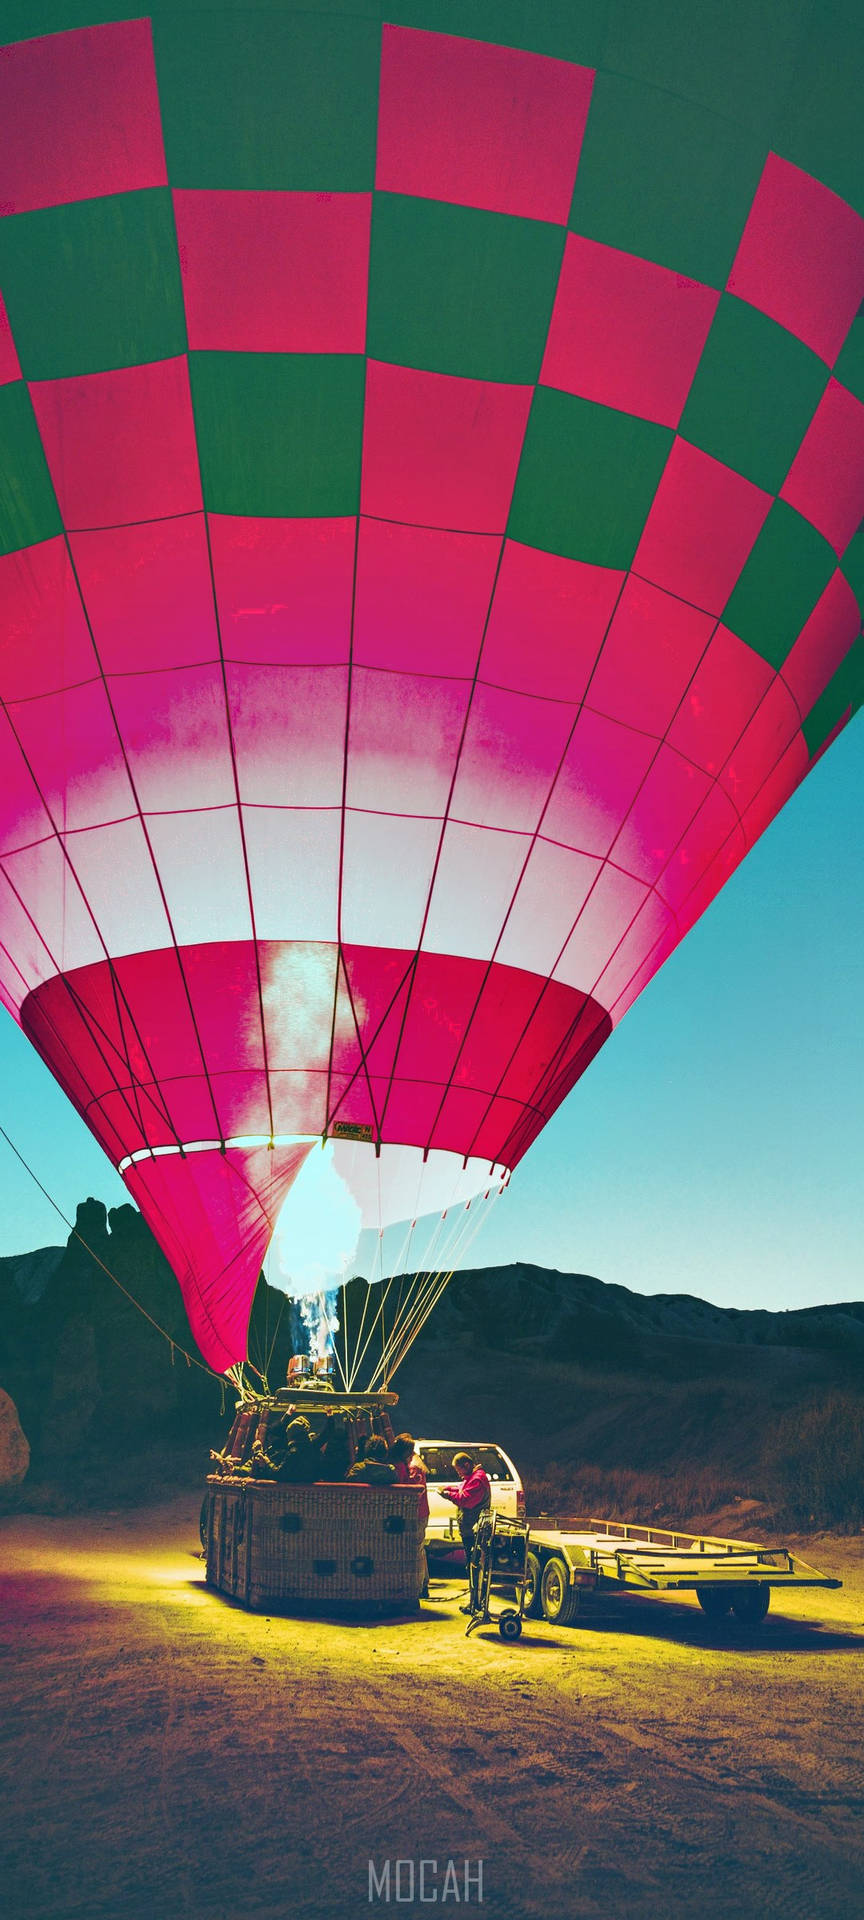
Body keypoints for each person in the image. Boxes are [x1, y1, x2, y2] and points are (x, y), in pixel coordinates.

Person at [441, 1451, 492, 1612]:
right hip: (470, 1531)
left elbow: (465, 1499)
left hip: (474, 1532)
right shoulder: (473, 1478)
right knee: (472, 1566)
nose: (458, 1473)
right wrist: (449, 1489)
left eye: (458, 1470)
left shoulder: (477, 1480)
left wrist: (447, 1495)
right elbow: (462, 1488)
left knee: (474, 1566)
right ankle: (474, 1602)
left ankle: (476, 1603)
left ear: (467, 1465)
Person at [390, 1433, 430, 1599]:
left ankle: (419, 1587)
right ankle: (424, 1584)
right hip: (421, 1512)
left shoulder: (413, 1467)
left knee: (416, 1550)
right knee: (420, 1549)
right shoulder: (415, 1462)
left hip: (416, 1513)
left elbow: (414, 1492)